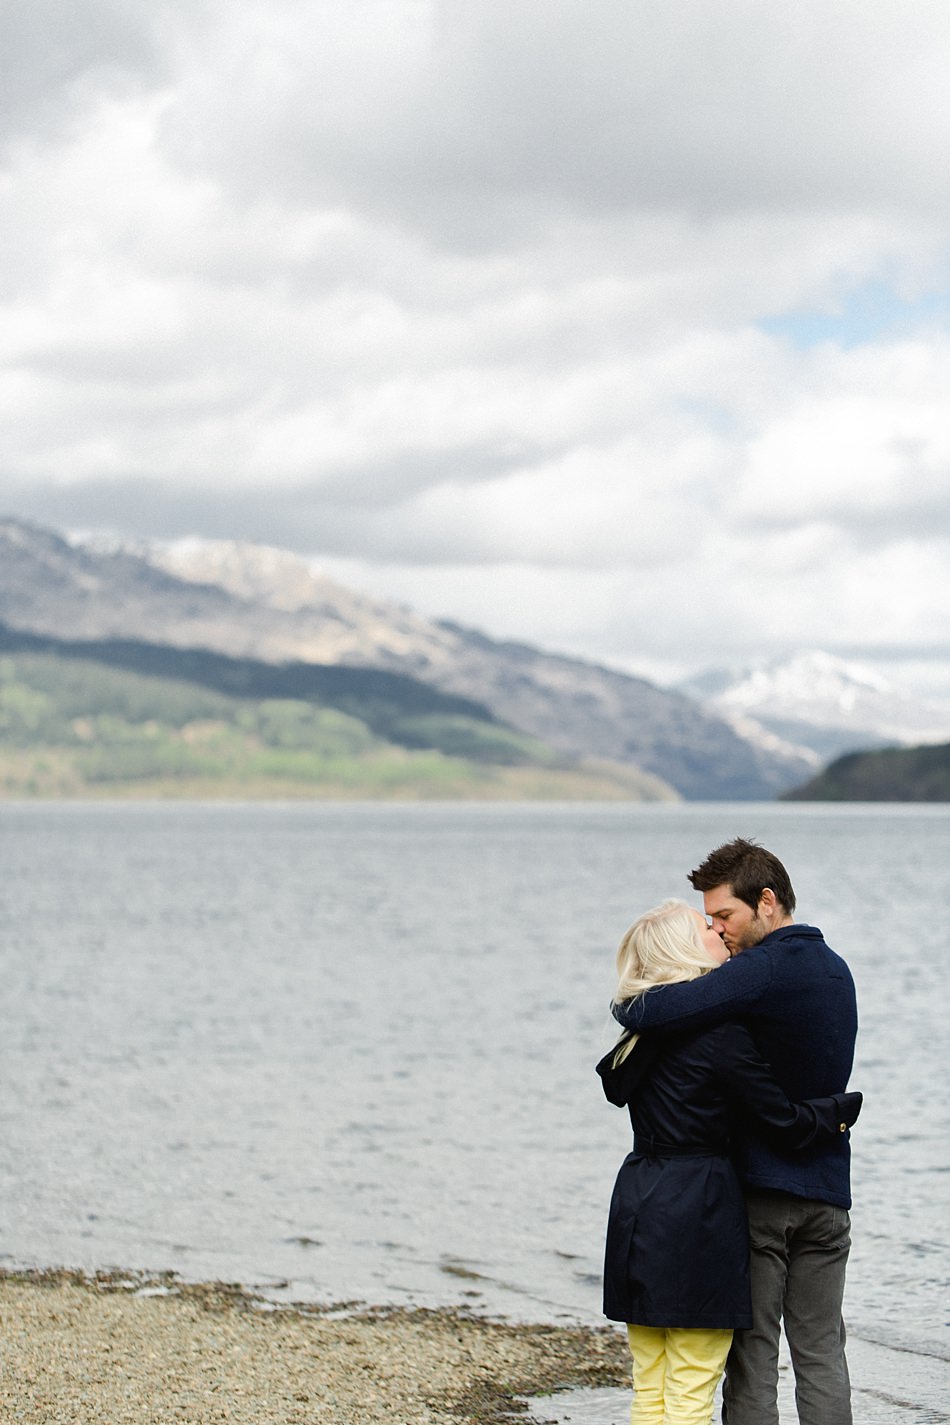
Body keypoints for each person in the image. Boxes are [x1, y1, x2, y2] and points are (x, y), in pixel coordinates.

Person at [611, 839, 858, 1425]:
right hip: (828, 1193)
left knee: (753, 1357)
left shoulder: (757, 969)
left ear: (766, 902)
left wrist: (626, 1004)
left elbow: (656, 1010)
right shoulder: (837, 969)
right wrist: (839, 1113)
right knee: (823, 1349)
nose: (720, 931)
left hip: (761, 1195)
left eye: (725, 915)